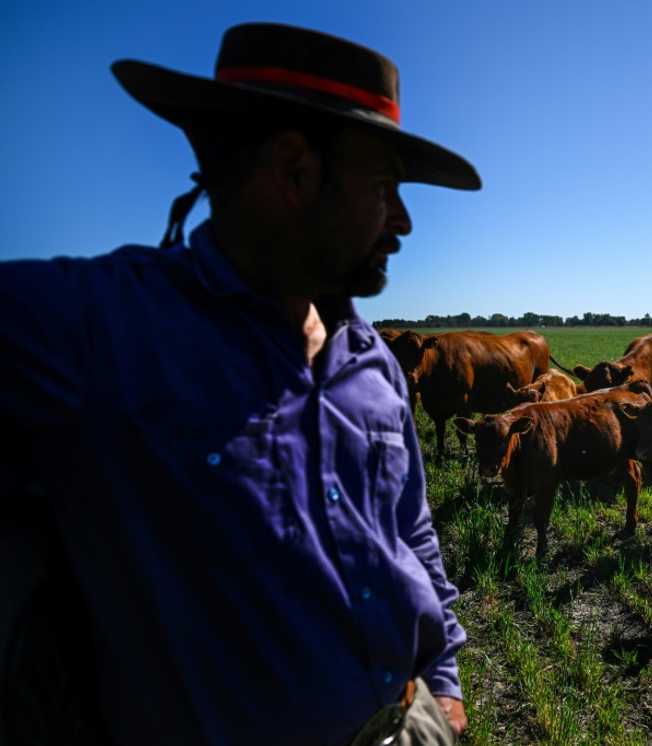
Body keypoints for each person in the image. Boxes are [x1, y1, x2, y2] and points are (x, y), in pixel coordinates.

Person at [0, 22, 480, 746]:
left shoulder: (372, 358)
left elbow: (410, 527)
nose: (403, 219)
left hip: (410, 724)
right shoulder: (99, 331)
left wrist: (441, 687)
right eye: (384, 185)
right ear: (294, 172)